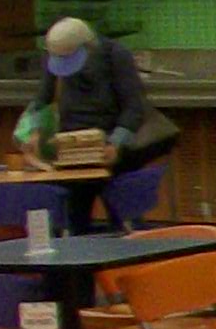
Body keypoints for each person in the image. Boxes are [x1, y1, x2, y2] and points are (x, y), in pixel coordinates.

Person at [21, 17, 171, 227]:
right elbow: (42, 98)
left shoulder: (115, 55)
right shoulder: (56, 54)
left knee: (124, 223)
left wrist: (115, 143)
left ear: (86, 47)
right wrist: (33, 130)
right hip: (72, 152)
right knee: (76, 221)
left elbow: (134, 107)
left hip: (115, 152)